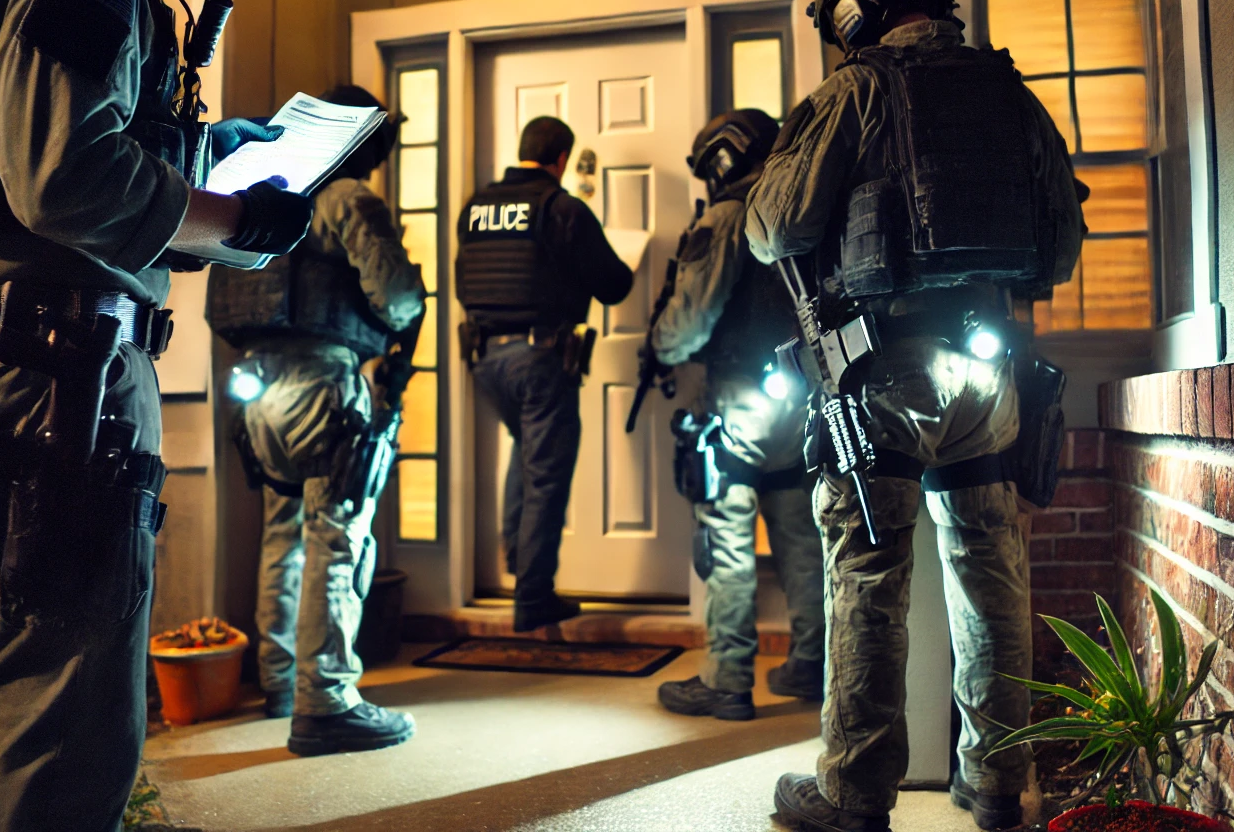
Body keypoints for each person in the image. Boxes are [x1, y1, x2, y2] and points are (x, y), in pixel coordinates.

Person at [0, 0, 308, 828]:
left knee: (61, 679)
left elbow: (70, 149)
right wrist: (240, 215)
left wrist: (209, 154)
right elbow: (63, 177)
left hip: (32, 348)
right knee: (66, 714)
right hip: (53, 360)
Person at [747, 0, 1085, 832]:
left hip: (880, 370)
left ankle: (853, 794)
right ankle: (999, 786)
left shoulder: (854, 92)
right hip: (987, 370)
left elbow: (776, 229)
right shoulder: (1010, 93)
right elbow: (1061, 244)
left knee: (869, 570)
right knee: (990, 572)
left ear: (857, 4)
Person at [208, 85, 426, 755]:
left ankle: (279, 682)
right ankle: (326, 699)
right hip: (323, 382)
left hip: (255, 386)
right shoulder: (346, 198)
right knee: (338, 539)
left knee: (284, 534)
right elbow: (396, 297)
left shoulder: (268, 189)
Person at [647, 110, 827, 723]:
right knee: (802, 534)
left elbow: (687, 321)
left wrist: (659, 348)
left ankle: (727, 678)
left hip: (739, 396)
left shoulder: (726, 216)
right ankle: (811, 664)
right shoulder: (805, 204)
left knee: (725, 534)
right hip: (803, 391)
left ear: (721, 160)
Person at [455, 116, 634, 632]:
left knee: (527, 453)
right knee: (546, 475)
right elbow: (614, 285)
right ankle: (533, 598)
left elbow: (464, 279)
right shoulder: (561, 209)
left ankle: (517, 561)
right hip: (539, 359)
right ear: (560, 159)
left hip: (485, 359)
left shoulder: (477, 207)